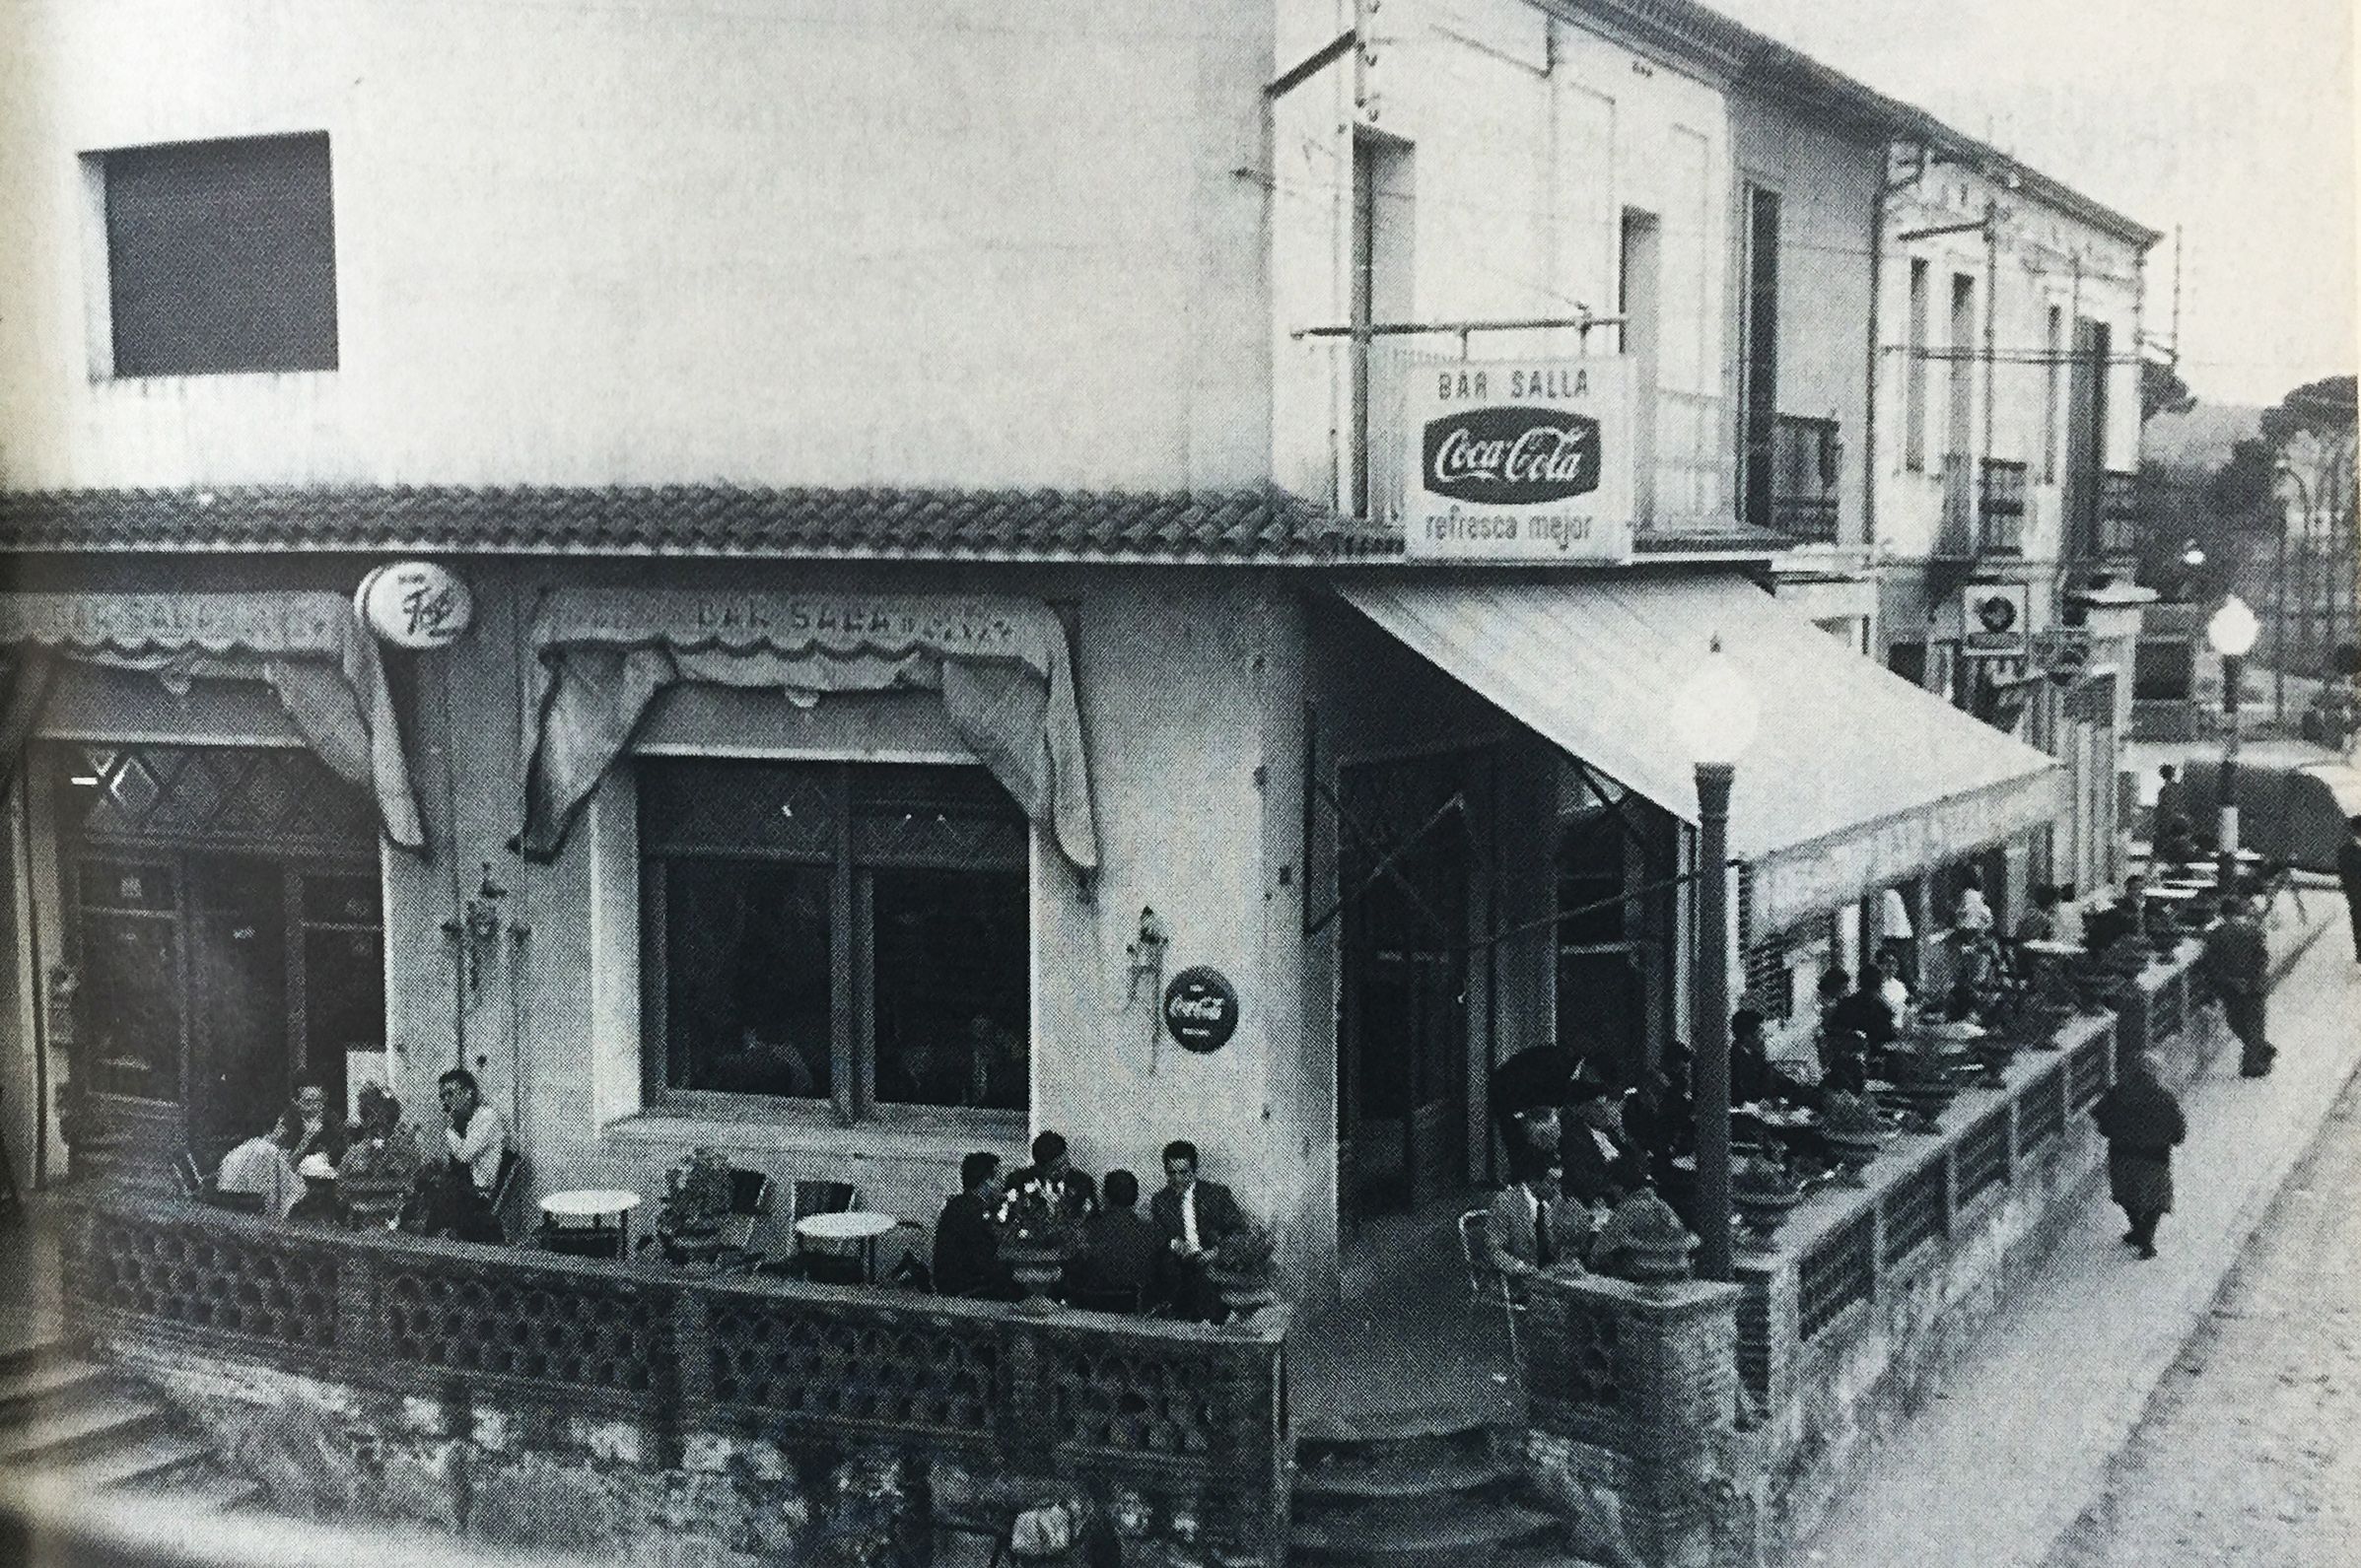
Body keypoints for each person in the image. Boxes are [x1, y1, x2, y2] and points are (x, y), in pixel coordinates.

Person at [2091, 1051, 2187, 1260]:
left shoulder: (2117, 1093)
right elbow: (2179, 1135)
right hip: (2155, 1158)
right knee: (2156, 1200)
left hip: (2121, 1154)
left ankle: (2138, 1231)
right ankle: (2147, 1238)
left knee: (2127, 1196)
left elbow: (2101, 1121)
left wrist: (2116, 1132)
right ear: (2156, 1074)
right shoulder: (2165, 1098)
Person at [1148, 1139, 1246, 1322]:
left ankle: (1210, 1327)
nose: (1177, 1179)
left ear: (1194, 1170)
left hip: (1213, 1263)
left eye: (1183, 1172)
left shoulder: (1216, 1195)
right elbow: (1157, 1235)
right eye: (1171, 1173)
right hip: (1180, 1267)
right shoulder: (1160, 1201)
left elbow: (1239, 1232)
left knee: (1206, 1282)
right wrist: (1175, 1244)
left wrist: (1216, 1253)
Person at [408, 1068, 508, 1242]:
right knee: (426, 1182)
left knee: (439, 1190)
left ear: (468, 1093)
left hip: (478, 1195)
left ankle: (429, 1241)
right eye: (443, 1097)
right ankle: (425, 1238)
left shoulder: (486, 1117)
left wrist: (449, 1127)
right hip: (465, 1191)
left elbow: (464, 1156)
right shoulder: (468, 1122)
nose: (446, 1102)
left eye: (450, 1094)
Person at [1068, 1169, 1160, 1311]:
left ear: (1105, 1197)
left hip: (1089, 1312)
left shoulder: (1086, 1230)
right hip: (1137, 1317)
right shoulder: (1152, 1233)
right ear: (1135, 1197)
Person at [2202, 895, 2274, 1077]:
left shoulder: (2216, 935)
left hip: (2231, 988)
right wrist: (2252, 980)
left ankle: (2256, 1059)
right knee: (2255, 1023)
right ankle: (2257, 1057)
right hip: (2255, 986)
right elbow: (2262, 959)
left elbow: (2212, 964)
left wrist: (2232, 980)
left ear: (2222, 914)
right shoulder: (2254, 931)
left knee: (2236, 1021)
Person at [933, 1151, 1018, 1301]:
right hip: (966, 1288)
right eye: (997, 1177)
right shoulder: (976, 1212)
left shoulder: (957, 1204)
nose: (1002, 1183)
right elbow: (985, 1261)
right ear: (986, 1181)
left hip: (950, 1283)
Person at [1486, 1155, 1584, 1282]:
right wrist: (1520, 1267)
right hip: (1519, 1283)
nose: (1557, 1188)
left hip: (1551, 1280)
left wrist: (1569, 1261)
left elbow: (1560, 1244)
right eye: (1552, 1182)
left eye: (1559, 1182)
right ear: (1533, 1181)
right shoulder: (1505, 1202)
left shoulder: (1552, 1202)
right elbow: (1493, 1249)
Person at [1556, 1080, 1640, 1206]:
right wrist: (1612, 1189)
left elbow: (1632, 1159)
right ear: (1582, 1110)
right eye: (1598, 1107)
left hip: (1632, 1189)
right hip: (1604, 1199)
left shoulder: (1611, 1132)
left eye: (1604, 1106)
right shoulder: (1574, 1141)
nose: (1604, 1112)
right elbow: (1583, 1177)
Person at [1007, 1129, 1099, 1224]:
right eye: (1056, 1169)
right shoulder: (1019, 1181)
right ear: (1039, 1167)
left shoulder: (1083, 1183)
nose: (1063, 1170)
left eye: (1066, 1163)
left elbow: (1094, 1221)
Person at [2338, 815, 2361, 964]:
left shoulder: (2346, 850)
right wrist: (2353, 895)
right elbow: (2346, 876)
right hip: (2358, 896)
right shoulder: (2347, 851)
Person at [2153, 765, 2188, 848]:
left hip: (2169, 820)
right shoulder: (2177, 788)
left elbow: (2162, 806)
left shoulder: (2164, 790)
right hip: (2174, 819)